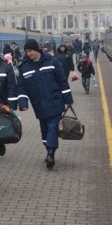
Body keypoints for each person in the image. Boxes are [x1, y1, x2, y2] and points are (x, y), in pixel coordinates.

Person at [16, 39, 73, 170]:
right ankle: (48, 148)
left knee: (53, 127)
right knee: (45, 130)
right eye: (27, 52)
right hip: (39, 104)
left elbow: (62, 81)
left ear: (37, 49)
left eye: (31, 51)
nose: (29, 54)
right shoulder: (24, 67)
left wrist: (68, 99)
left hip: (55, 101)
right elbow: (21, 88)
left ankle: (51, 154)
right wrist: (23, 102)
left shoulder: (52, 62)